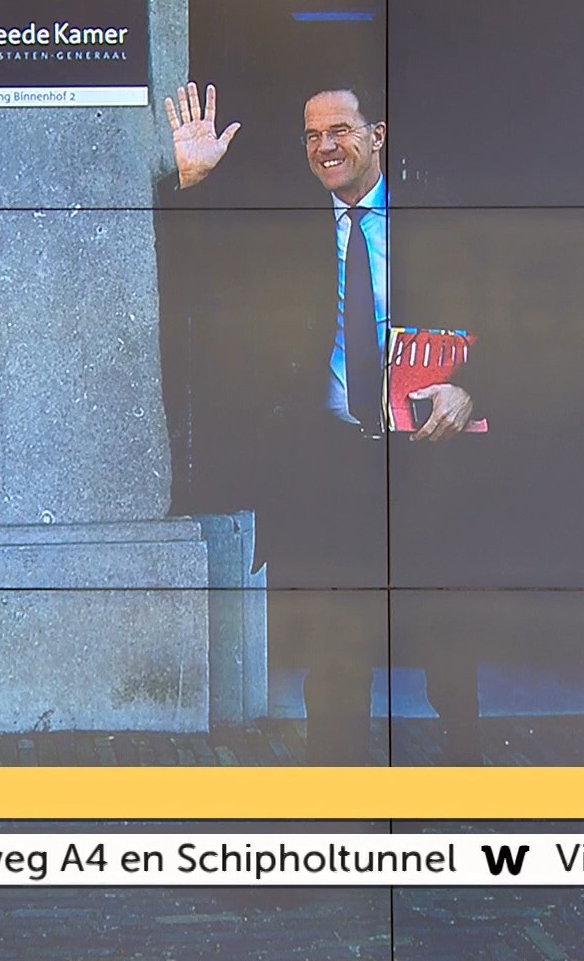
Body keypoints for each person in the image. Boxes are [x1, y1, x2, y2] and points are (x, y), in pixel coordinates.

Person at [163, 81, 491, 765]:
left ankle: (465, 758)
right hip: (331, 463)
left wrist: (471, 391)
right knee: (336, 648)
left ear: (378, 136)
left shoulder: (436, 220)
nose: (325, 147)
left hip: (426, 459)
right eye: (312, 135)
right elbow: (202, 277)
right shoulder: (289, 229)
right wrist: (191, 184)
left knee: (446, 636)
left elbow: (500, 323)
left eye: (340, 130)